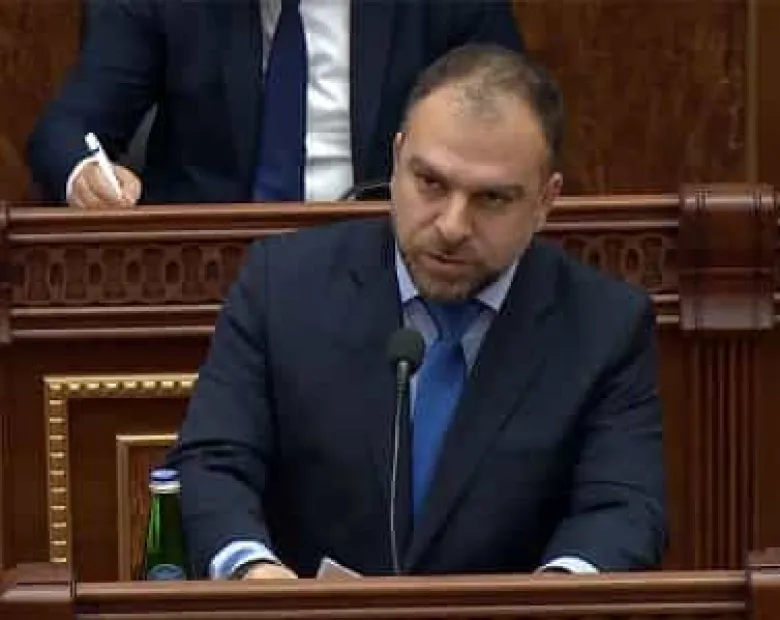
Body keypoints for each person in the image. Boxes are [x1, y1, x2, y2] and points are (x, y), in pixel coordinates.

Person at [170, 43, 667, 581]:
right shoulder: (282, 286)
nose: (452, 226)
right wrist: (252, 570)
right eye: (431, 183)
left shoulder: (603, 326)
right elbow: (212, 463)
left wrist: (554, 596)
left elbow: (623, 508)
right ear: (397, 159)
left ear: (545, 201)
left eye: (492, 199)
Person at [26, 0, 523, 209]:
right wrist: (85, 174)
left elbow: (510, 117)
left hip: (392, 263)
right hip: (211, 277)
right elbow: (67, 129)